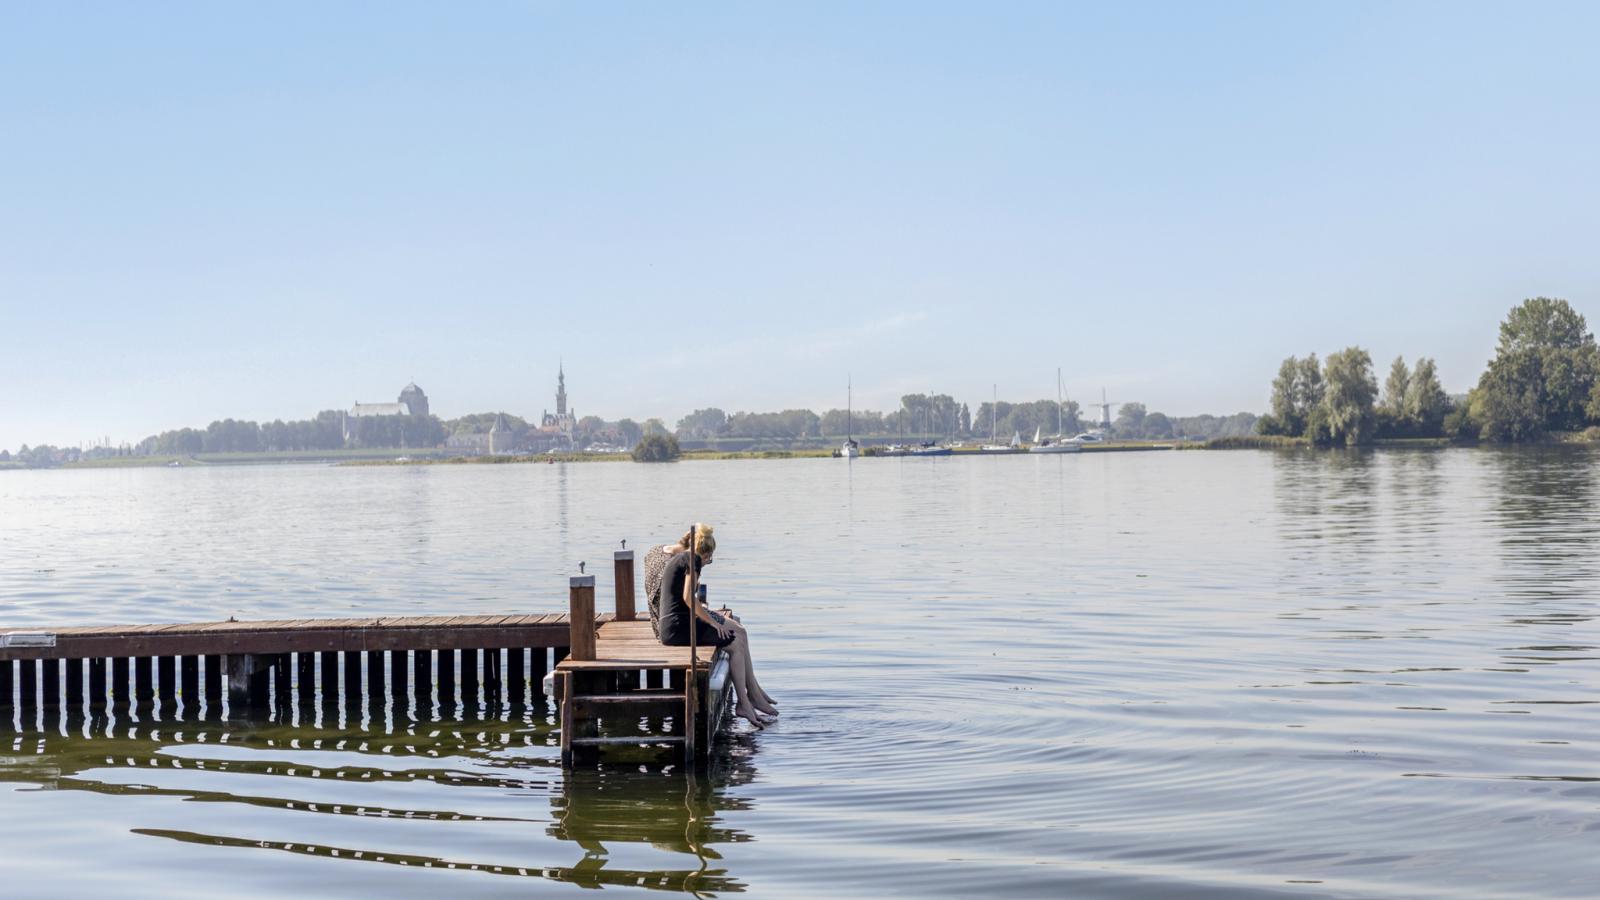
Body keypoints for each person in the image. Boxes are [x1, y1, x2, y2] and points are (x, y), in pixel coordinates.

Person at [655, 524, 778, 728]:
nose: (708, 562)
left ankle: (754, 693)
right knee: (734, 645)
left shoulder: (683, 557)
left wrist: (712, 618)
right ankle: (744, 704)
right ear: (706, 553)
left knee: (740, 632)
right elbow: (688, 598)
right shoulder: (693, 559)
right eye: (709, 559)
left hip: (676, 623)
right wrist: (713, 622)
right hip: (678, 628)